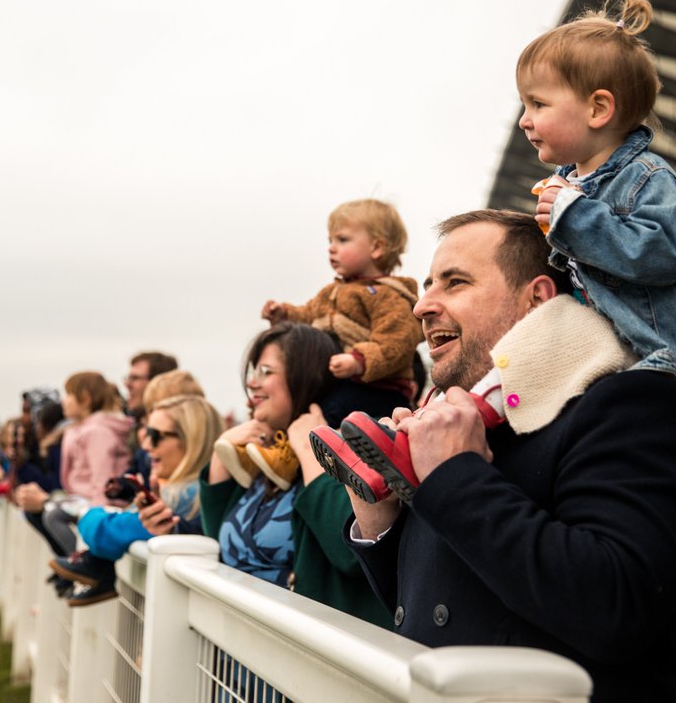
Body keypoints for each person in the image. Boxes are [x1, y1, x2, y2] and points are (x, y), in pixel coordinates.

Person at [332, 210, 676, 702]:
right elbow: (439, 607)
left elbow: (614, 609)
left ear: (536, 299)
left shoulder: (637, 405)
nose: (421, 306)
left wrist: (456, 476)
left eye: (455, 283)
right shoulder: (466, 421)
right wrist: (379, 523)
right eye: (428, 285)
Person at [461, 0, 676, 434]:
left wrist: (573, 215)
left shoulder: (647, 177)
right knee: (523, 347)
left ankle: (465, 423)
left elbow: (660, 254)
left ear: (598, 109)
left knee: (546, 355)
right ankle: (454, 423)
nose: (524, 119)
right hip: (602, 334)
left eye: (537, 104)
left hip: (652, 347)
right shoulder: (575, 183)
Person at [200, 322, 391, 628]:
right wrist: (220, 457)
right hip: (234, 663)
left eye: (266, 371)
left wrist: (309, 447)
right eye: (252, 373)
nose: (252, 383)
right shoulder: (268, 462)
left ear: (305, 376)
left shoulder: (350, 453)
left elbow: (354, 556)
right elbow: (219, 544)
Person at [249, 199, 422, 488]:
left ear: (376, 248)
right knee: (315, 407)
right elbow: (309, 313)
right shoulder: (332, 292)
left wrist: (359, 360)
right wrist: (285, 314)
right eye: (330, 240)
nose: (331, 247)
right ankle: (286, 457)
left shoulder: (388, 296)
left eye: (342, 239)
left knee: (330, 414)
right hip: (346, 384)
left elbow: (396, 343)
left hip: (377, 389)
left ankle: (298, 461)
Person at [53, 388, 223, 605]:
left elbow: (98, 530)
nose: (145, 445)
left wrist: (91, 514)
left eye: (155, 435)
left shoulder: (186, 500)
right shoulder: (186, 495)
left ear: (191, 440)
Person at [13, 372, 133, 548]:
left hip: (99, 503)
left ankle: (80, 562)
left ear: (85, 399)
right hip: (81, 498)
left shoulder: (98, 433)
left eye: (69, 395)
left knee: (54, 515)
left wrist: (98, 517)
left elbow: (103, 480)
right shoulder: (83, 430)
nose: (64, 401)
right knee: (36, 510)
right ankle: (68, 564)